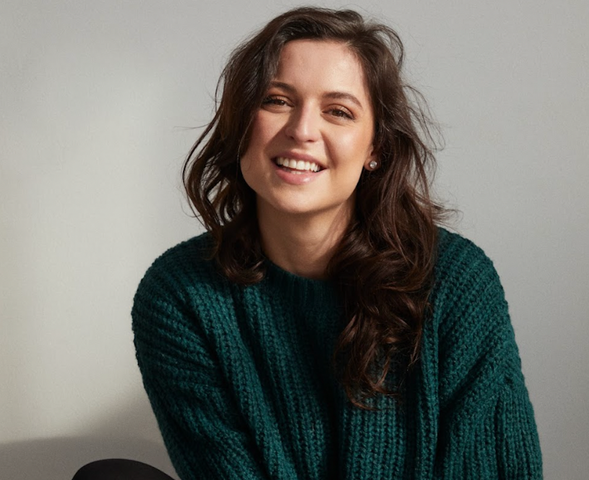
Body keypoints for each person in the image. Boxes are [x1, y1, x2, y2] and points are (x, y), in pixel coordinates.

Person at [73, 6, 542, 480]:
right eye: (277, 101)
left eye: (338, 111)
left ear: (375, 148)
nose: (301, 130)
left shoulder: (456, 281)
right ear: (242, 126)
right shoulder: (180, 294)